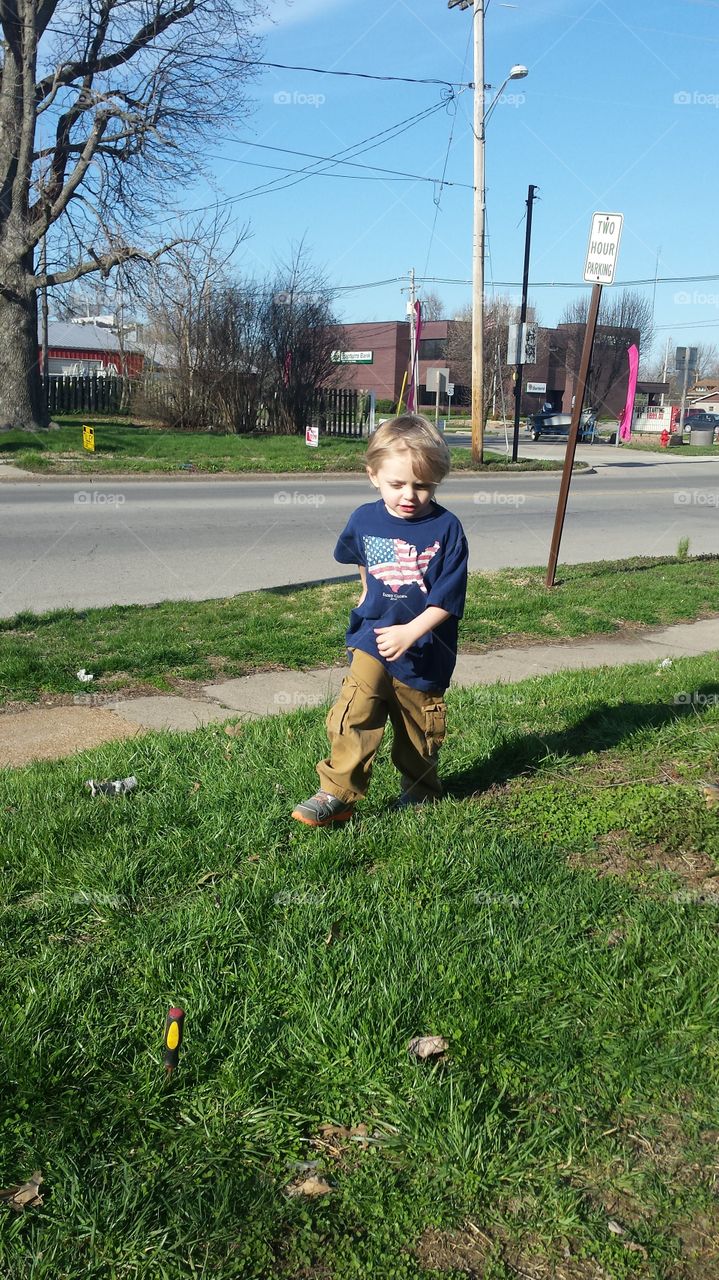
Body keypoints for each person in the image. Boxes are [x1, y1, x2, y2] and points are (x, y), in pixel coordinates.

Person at [291, 414, 468, 827]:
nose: (409, 495)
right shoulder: (365, 519)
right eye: (398, 484)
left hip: (425, 651)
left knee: (417, 732)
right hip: (372, 637)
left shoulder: (447, 529)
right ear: (373, 475)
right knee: (354, 710)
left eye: (422, 486)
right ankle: (337, 793)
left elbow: (448, 599)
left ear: (437, 481)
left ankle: (420, 794)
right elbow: (362, 559)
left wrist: (410, 631)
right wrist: (367, 592)